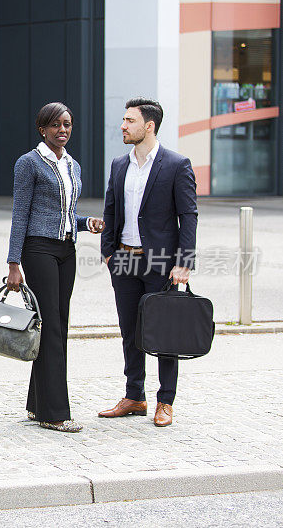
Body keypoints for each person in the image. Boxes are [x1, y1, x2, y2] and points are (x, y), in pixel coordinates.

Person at [99, 97, 198, 427]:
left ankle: (165, 401)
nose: (123, 126)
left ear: (149, 126)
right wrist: (108, 252)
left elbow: (188, 215)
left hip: (160, 262)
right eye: (124, 120)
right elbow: (111, 209)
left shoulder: (176, 164)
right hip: (124, 261)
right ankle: (134, 396)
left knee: (165, 332)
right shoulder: (118, 164)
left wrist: (184, 261)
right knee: (130, 331)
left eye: (130, 121)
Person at [6, 102, 104, 433]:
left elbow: (62, 212)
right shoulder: (28, 163)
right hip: (38, 250)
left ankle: (37, 404)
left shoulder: (73, 166)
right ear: (42, 129)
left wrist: (85, 222)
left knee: (59, 323)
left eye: (68, 124)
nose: (63, 130)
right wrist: (13, 263)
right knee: (50, 328)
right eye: (56, 125)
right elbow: (21, 213)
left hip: (67, 249)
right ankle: (54, 412)